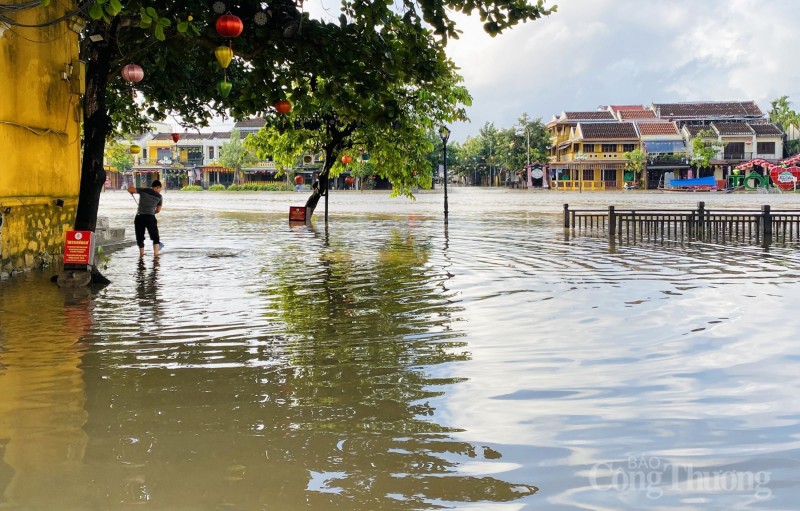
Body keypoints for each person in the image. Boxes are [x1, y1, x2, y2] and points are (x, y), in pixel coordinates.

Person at [128, 179, 163, 257]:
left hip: (139, 217)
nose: (160, 191)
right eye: (160, 189)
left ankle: (141, 255)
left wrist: (131, 191)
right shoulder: (159, 197)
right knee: (155, 237)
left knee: (140, 237)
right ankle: (156, 255)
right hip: (150, 217)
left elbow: (130, 189)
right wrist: (151, 211)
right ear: (157, 187)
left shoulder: (144, 190)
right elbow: (158, 210)